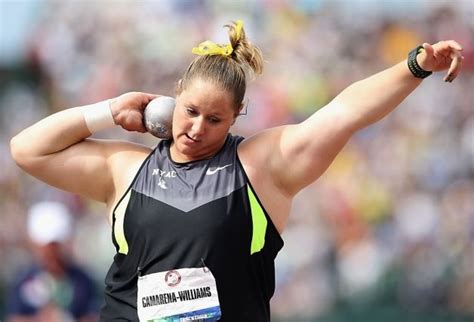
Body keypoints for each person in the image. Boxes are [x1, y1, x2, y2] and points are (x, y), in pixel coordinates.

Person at [9, 20, 463, 321]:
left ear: (238, 115)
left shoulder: (261, 168)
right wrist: (109, 110)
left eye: (215, 119)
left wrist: (415, 64)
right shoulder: (126, 170)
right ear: (175, 95)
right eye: (189, 111)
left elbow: (343, 112)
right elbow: (28, 150)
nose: (196, 129)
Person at [5, 201, 98, 322]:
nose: (50, 251)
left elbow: (92, 316)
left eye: (55, 244)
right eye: (46, 245)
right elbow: (13, 317)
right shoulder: (22, 279)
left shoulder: (82, 281)